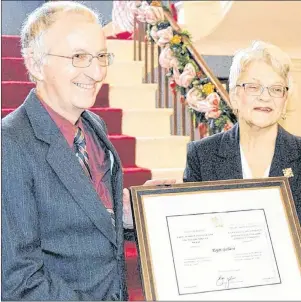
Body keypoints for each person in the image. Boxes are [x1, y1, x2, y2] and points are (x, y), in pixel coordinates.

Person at [2, 1, 175, 300]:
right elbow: (19, 282)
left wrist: (134, 211)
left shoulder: (94, 126)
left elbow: (83, 219)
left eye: (101, 56)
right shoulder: (10, 145)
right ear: (34, 63)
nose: (96, 72)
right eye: (79, 56)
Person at [184, 41, 301, 224]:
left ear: (285, 102)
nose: (265, 97)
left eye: (276, 89)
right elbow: (190, 227)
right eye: (253, 87)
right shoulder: (201, 155)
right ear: (234, 96)